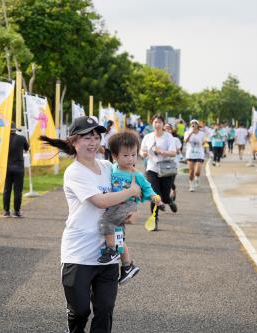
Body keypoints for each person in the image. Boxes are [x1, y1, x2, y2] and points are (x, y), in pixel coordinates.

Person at [39, 116, 141, 333]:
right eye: (87, 137)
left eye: (96, 137)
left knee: (105, 310)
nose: (93, 142)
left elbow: (127, 196)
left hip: (108, 252)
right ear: (74, 142)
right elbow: (101, 201)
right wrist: (129, 192)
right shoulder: (74, 172)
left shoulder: (107, 167)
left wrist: (130, 212)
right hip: (79, 253)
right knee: (81, 310)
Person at [98, 131, 163, 285]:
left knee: (105, 222)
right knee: (119, 235)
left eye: (134, 155)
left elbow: (147, 188)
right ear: (115, 156)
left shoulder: (137, 175)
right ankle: (128, 266)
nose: (131, 159)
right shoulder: (112, 169)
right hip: (114, 205)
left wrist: (154, 197)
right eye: (126, 155)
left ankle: (111, 250)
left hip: (126, 205)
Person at [140, 115, 177, 229]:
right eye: (155, 122)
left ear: (163, 124)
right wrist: (144, 154)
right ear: (152, 123)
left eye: (159, 122)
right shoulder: (148, 137)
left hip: (166, 169)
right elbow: (142, 151)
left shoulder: (168, 137)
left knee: (164, 197)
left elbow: (173, 153)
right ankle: (154, 220)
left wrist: (160, 151)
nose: (157, 124)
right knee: (155, 195)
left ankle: (169, 201)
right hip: (152, 169)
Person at [3, 122, 29, 218]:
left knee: (7, 190)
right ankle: (16, 211)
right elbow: (27, 148)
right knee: (18, 191)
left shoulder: (4, 139)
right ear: (15, 129)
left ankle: (6, 211)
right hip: (19, 168)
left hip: (6, 168)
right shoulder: (22, 138)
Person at [184, 119, 206, 192]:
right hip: (190, 154)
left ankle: (197, 177)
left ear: (197, 125)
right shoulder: (187, 132)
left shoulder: (202, 134)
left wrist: (202, 142)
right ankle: (191, 185)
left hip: (199, 154)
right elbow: (185, 141)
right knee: (191, 171)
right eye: (192, 124)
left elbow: (204, 142)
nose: (193, 125)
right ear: (190, 125)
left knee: (197, 171)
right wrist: (191, 133)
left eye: (195, 124)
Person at [163, 123, 181, 212]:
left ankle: (169, 199)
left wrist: (166, 151)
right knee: (163, 185)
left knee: (169, 183)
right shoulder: (159, 138)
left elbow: (177, 151)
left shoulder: (175, 140)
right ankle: (171, 193)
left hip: (173, 164)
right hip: (160, 165)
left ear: (171, 130)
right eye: (165, 128)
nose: (167, 130)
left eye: (169, 128)